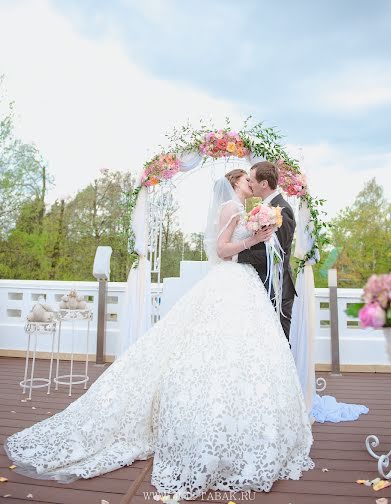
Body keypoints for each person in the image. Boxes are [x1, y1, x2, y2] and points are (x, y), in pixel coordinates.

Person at [4, 169, 314, 500]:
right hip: (229, 282)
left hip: (245, 285)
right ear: (236, 183)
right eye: (247, 181)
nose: (252, 185)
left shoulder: (245, 210)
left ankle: (247, 424)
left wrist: (260, 235)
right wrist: (253, 238)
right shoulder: (231, 209)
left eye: (255, 182)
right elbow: (222, 250)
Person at [238, 161, 297, 341]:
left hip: (276, 287)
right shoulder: (265, 208)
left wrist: (237, 256)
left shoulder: (282, 210)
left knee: (277, 342)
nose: (250, 184)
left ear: (264, 184)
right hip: (262, 285)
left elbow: (274, 256)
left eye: (252, 181)